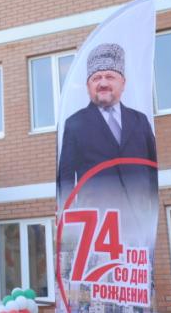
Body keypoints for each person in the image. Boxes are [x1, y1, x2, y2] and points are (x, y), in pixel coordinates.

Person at [57, 43, 158, 243]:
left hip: (139, 227)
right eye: (96, 78)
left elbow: (152, 170)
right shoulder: (75, 124)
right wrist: (70, 223)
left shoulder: (140, 121)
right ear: (88, 86)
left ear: (123, 83)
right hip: (97, 230)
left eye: (110, 76)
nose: (103, 83)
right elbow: (65, 179)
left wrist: (151, 210)